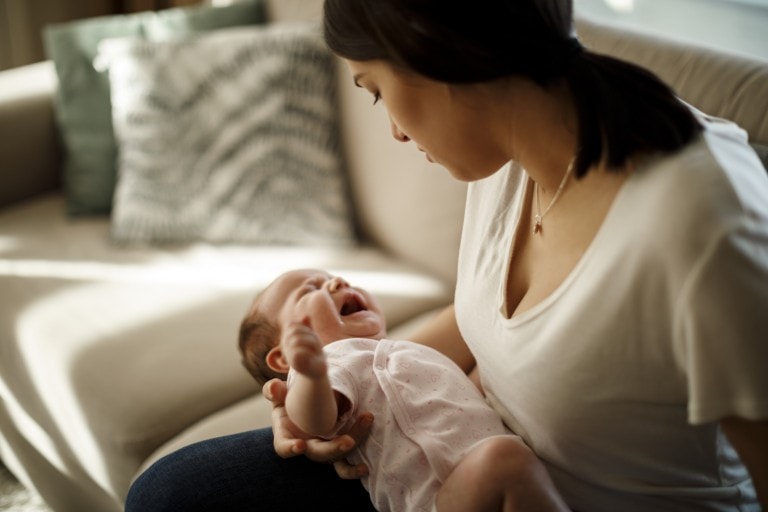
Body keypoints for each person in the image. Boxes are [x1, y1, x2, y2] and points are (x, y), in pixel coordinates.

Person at [126, 0, 768, 510]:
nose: (395, 131)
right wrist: (322, 392)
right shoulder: (504, 148)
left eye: (375, 90)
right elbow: (488, 320)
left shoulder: (700, 222)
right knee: (171, 491)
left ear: (430, 49)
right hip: (463, 468)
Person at [237, 268, 569, 512]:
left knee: (509, 464)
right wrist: (310, 375)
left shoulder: (408, 354)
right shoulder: (330, 363)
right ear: (284, 357)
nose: (337, 282)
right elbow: (316, 421)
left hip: (479, 482)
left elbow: (463, 394)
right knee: (505, 461)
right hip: (434, 499)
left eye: (335, 277)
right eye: (309, 290)